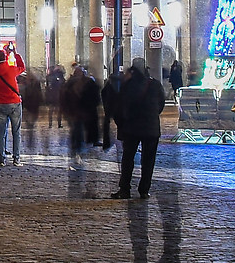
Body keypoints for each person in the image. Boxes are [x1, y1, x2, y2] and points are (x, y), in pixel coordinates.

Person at [110, 60, 166, 199]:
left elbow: (119, 107)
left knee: (128, 159)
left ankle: (125, 189)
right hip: (151, 128)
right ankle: (144, 190)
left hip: (132, 128)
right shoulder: (155, 84)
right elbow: (161, 104)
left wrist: (121, 124)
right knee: (148, 160)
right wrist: (152, 116)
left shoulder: (128, 85)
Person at [0, 47, 25, 165]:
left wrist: (6, 55)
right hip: (14, 102)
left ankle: (1, 158)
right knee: (16, 131)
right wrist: (14, 53)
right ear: (4, 58)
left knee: (1, 131)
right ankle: (16, 158)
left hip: (1, 104)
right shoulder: (10, 69)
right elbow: (22, 67)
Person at [64, 60, 102, 172]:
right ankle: (77, 147)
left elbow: (95, 96)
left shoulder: (88, 83)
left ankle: (80, 146)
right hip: (76, 112)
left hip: (83, 111)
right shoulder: (72, 84)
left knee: (81, 128)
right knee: (77, 129)